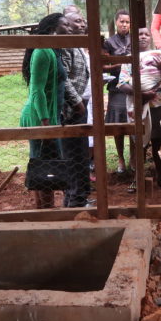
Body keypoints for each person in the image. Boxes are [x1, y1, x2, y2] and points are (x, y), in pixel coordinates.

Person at [118, 28, 161, 191]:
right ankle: (138, 179)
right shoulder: (129, 60)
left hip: (159, 105)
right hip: (138, 106)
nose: (142, 37)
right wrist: (140, 94)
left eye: (146, 34)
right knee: (139, 144)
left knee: (159, 141)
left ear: (150, 38)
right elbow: (122, 83)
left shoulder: (160, 56)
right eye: (139, 34)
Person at [20, 13, 68, 209]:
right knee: (45, 169)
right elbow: (36, 89)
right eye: (65, 24)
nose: (69, 27)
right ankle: (47, 213)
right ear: (52, 28)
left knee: (45, 166)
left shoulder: (53, 50)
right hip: (41, 118)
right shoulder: (43, 51)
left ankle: (43, 211)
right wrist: (45, 122)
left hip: (49, 116)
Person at [57, 13, 91, 208]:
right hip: (71, 111)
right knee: (73, 157)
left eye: (83, 20)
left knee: (80, 155)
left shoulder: (76, 44)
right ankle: (74, 202)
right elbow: (64, 79)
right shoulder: (66, 45)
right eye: (78, 21)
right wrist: (77, 103)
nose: (82, 24)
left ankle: (78, 198)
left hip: (80, 108)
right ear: (66, 25)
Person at [102, 9, 133, 175]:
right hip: (116, 88)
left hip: (134, 87)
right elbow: (103, 65)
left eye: (127, 22)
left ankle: (134, 158)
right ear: (116, 22)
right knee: (117, 126)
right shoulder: (109, 42)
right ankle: (121, 158)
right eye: (122, 21)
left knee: (134, 123)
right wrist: (121, 62)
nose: (125, 24)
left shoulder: (135, 39)